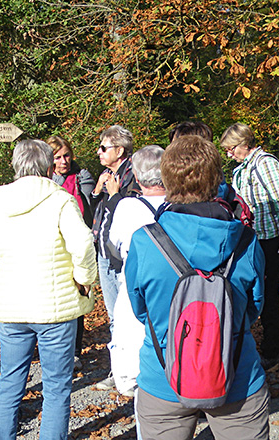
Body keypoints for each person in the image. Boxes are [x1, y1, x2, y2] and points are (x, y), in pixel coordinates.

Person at [125, 135, 269, 440]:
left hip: (163, 374)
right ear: (216, 178)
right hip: (236, 373)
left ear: (166, 179)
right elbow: (254, 308)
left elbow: (141, 309)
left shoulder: (146, 241)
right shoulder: (245, 241)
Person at [0, 139, 97, 440]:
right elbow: (83, 245)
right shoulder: (60, 200)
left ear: (15, 167)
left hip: (13, 310)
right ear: (50, 168)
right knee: (56, 388)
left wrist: (3, 285)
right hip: (57, 310)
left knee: (10, 382)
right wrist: (83, 279)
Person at [220, 123, 279, 369]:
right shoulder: (244, 168)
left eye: (231, 149)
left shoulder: (265, 163)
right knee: (259, 291)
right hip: (254, 238)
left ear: (244, 144)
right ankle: (273, 346)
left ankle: (274, 350)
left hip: (272, 238)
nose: (229, 154)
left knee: (269, 294)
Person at [106, 145, 166, 398]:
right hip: (174, 283)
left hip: (136, 282)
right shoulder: (180, 204)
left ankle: (136, 384)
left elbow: (114, 247)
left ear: (138, 178)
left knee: (133, 338)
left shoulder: (128, 206)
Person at [91, 125, 140, 390]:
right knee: (113, 313)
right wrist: (98, 192)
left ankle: (130, 370)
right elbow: (96, 214)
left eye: (104, 147)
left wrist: (113, 194)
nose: (98, 152)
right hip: (103, 249)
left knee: (126, 313)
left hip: (121, 253)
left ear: (119, 150)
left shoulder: (134, 174)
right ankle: (117, 368)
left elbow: (128, 211)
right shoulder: (108, 174)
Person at [46, 135, 96, 370]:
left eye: (67, 155)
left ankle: (74, 350)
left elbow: (88, 208)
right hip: (51, 245)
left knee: (77, 296)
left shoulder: (82, 176)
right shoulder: (44, 179)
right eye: (57, 157)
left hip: (75, 243)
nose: (64, 161)